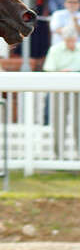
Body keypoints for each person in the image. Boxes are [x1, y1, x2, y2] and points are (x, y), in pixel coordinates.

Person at [42, 26, 80, 159]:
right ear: (63, 38)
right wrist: (62, 72)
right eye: (68, 40)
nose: (70, 42)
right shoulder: (55, 50)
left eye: (72, 40)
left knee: (78, 123)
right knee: (59, 122)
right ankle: (59, 156)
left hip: (78, 90)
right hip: (60, 90)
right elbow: (49, 70)